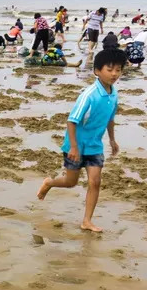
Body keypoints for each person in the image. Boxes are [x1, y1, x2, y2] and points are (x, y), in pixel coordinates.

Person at [37, 48, 125, 233]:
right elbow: (71, 121)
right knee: (71, 182)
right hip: (75, 145)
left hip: (94, 146)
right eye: (109, 69)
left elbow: (110, 118)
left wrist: (112, 140)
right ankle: (49, 183)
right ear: (97, 71)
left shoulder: (114, 95)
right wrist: (75, 148)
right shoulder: (89, 95)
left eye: (118, 69)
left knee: (95, 182)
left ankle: (87, 221)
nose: (114, 74)